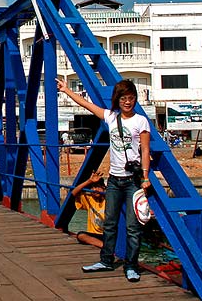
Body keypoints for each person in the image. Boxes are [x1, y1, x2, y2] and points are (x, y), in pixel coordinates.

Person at [56, 77, 151, 283]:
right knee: (110, 223)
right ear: (117, 100)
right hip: (114, 180)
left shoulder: (141, 121)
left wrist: (145, 177)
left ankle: (131, 266)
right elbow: (88, 105)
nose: (128, 102)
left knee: (133, 228)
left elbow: (145, 149)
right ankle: (106, 260)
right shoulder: (111, 117)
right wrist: (66, 91)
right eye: (124, 98)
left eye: (131, 98)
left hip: (133, 181)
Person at [71, 170, 106, 248]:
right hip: (95, 235)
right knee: (81, 235)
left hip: (109, 234)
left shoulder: (109, 200)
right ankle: (105, 246)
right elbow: (73, 193)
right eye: (92, 187)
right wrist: (89, 181)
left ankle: (106, 245)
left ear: (103, 187)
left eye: (98, 186)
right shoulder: (89, 199)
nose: (95, 189)